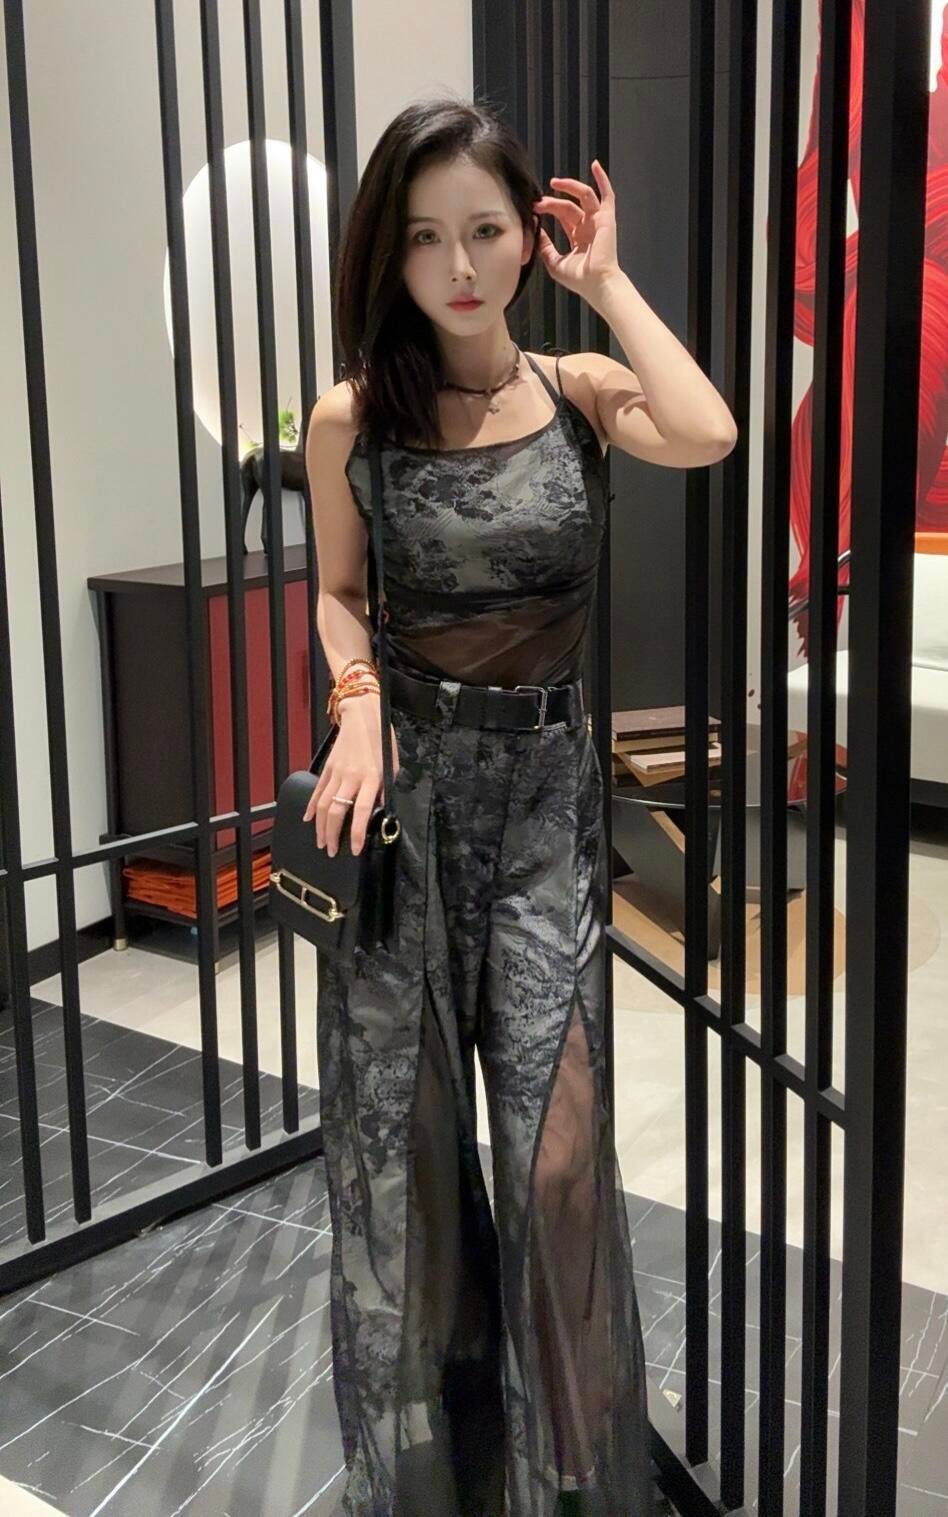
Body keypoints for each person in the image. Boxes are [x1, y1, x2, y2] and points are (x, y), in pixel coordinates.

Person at [303, 95, 737, 1517]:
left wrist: (605, 282)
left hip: (547, 816)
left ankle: (572, 1477)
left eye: (485, 230)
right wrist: (356, 704)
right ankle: (453, 1477)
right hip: (409, 819)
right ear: (391, 253)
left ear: (524, 237)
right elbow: (339, 593)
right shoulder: (354, 419)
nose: (459, 265)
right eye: (425, 237)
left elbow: (709, 429)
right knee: (415, 1164)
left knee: (556, 1163)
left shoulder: (579, 388)